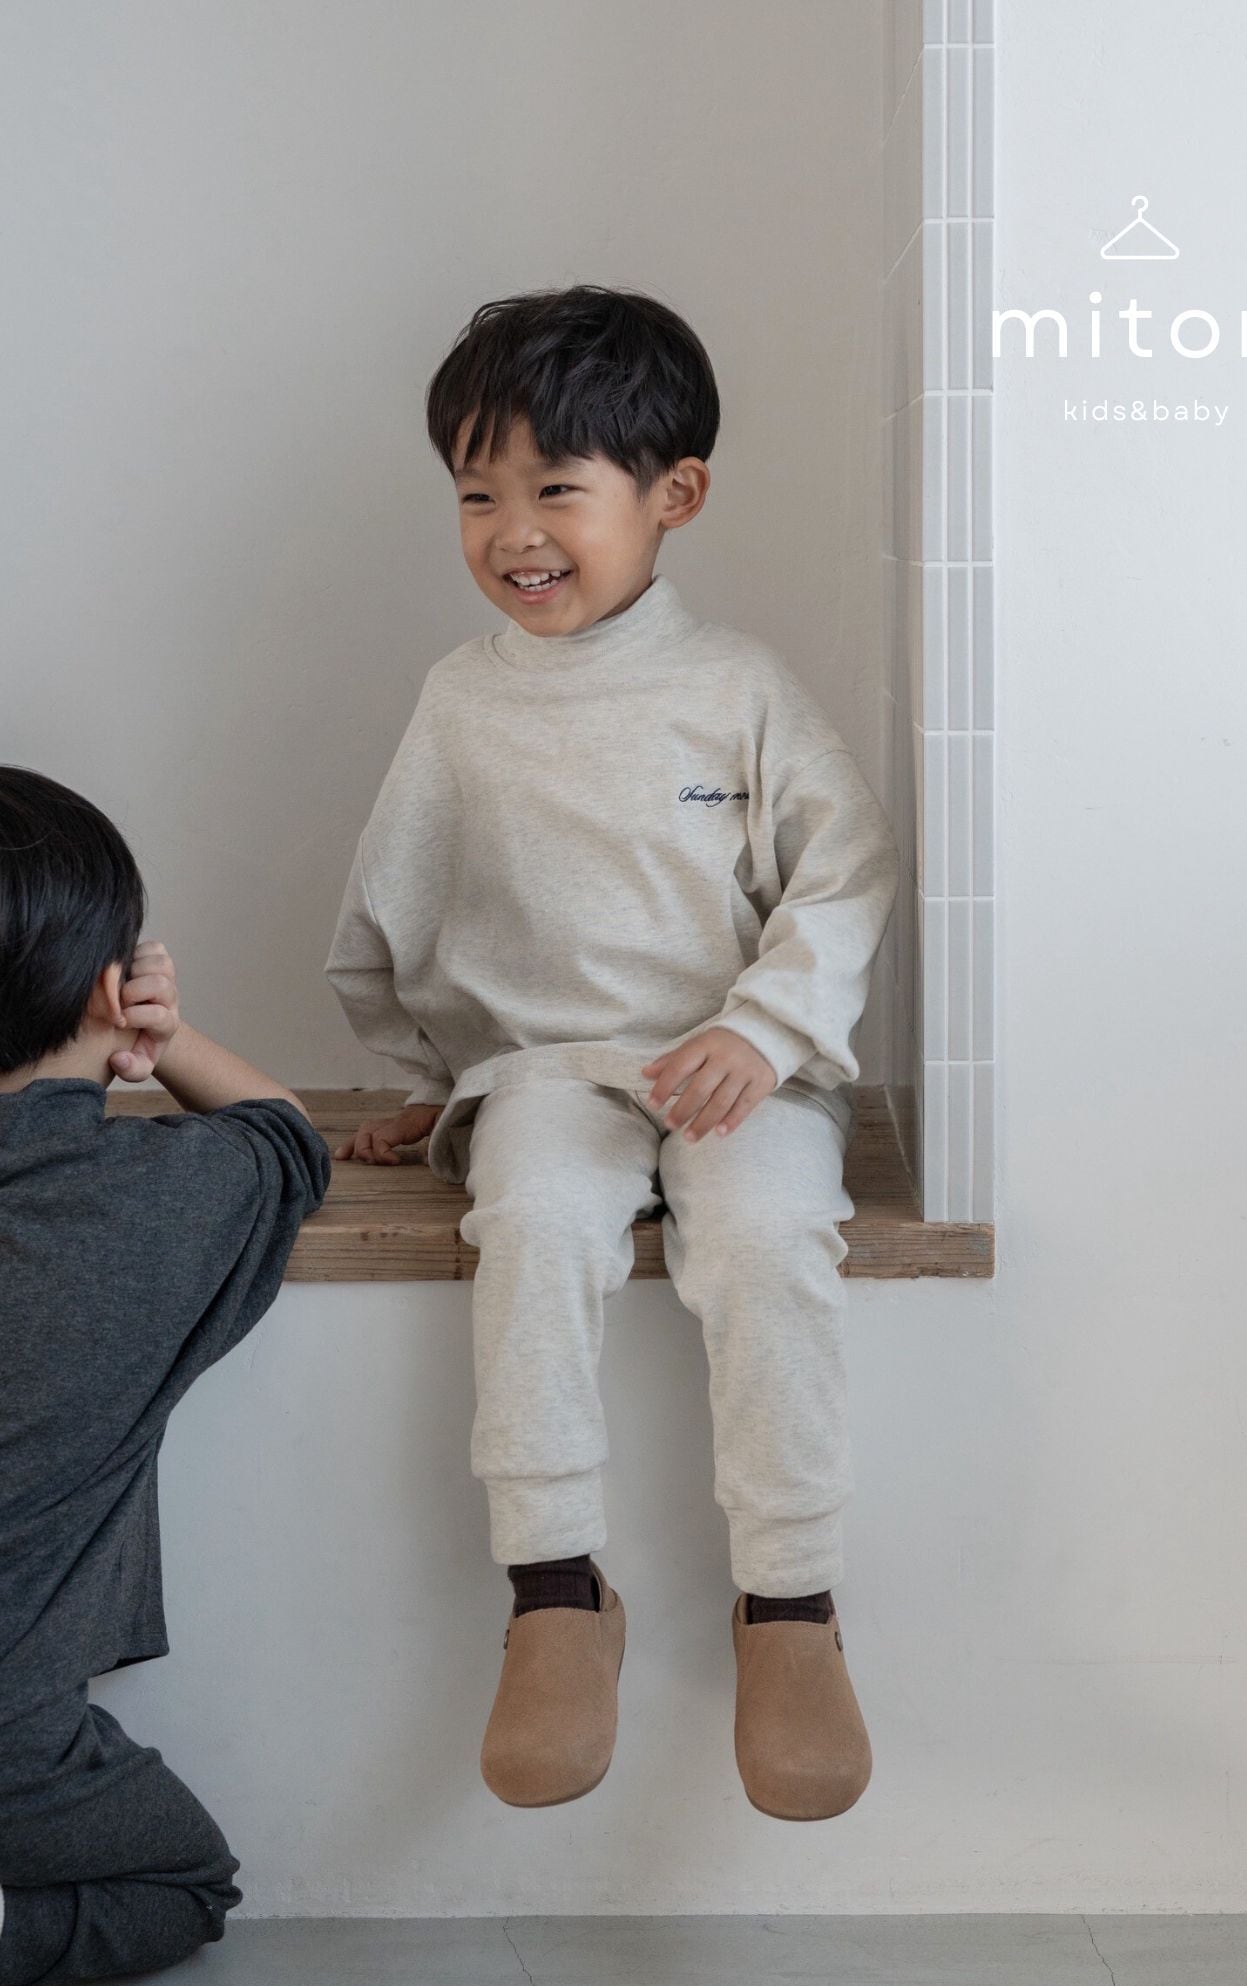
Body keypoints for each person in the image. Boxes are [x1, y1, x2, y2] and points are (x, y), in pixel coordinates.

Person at [325, 284, 898, 1822]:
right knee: (528, 1218)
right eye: (477, 495)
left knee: (768, 1237)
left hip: (739, 1074)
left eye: (554, 490)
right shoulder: (461, 703)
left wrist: (764, 1027)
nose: (513, 531)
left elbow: (845, 868)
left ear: (673, 495)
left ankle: (791, 1603)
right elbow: (394, 907)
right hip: (545, 1078)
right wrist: (435, 1083)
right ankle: (555, 1592)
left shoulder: (738, 688)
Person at [0, 767, 331, 1986]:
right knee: (180, 1882)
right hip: (8, 1751)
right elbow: (287, 1135)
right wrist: (167, 1038)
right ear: (110, 988)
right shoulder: (155, 1201)